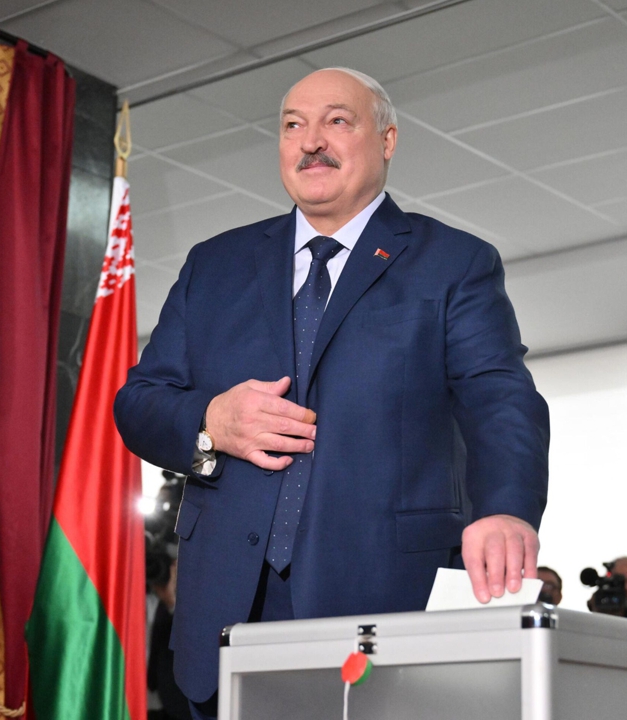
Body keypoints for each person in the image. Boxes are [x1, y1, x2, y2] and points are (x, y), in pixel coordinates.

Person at [115, 67, 549, 718]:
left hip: (378, 599)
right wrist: (210, 419)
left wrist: (507, 507)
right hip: (225, 612)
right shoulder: (214, 264)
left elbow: (500, 396)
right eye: (293, 125)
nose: (311, 141)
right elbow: (139, 401)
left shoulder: (454, 262)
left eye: (337, 121)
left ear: (387, 140)